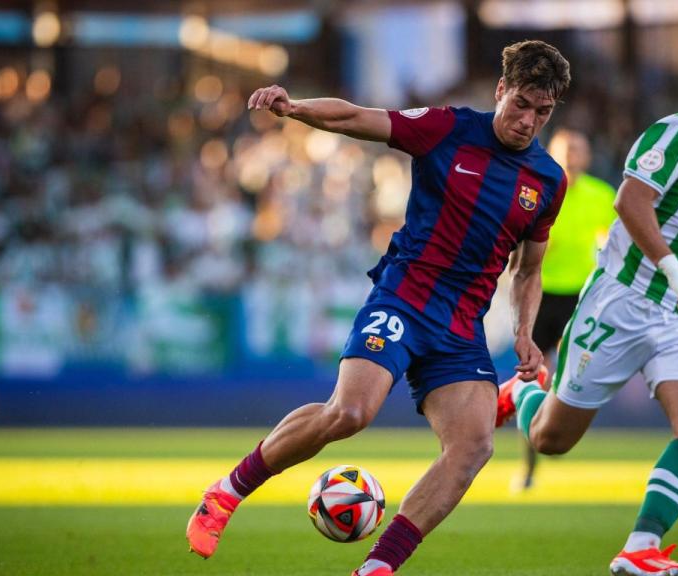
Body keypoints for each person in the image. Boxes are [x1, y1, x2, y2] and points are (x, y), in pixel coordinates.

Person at [186, 40, 571, 576]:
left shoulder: (548, 180)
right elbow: (355, 117)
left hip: (460, 327)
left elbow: (528, 270)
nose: (528, 121)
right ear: (501, 90)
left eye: (542, 112)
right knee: (349, 413)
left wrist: (525, 332)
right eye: (521, 104)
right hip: (403, 298)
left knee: (473, 447)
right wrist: (294, 108)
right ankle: (226, 492)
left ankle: (378, 567)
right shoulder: (448, 128)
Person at [496, 43, 678, 576]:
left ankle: (640, 546)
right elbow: (630, 201)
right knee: (551, 439)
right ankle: (522, 393)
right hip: (621, 300)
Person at [499, 129, 617, 491]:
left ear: (587, 156)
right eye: (564, 150)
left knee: (573, 375)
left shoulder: (602, 195)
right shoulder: (537, 190)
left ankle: (555, 430)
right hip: (539, 293)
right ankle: (528, 465)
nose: (570, 156)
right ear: (552, 154)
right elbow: (513, 238)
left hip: (580, 298)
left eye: (577, 150)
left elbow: (612, 242)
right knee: (531, 375)